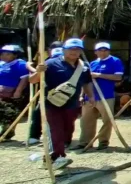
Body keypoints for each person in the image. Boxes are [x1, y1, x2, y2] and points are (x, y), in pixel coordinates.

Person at [31, 38, 94, 170]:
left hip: (72, 104)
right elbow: (32, 80)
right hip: (52, 104)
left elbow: (87, 82)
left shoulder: (83, 67)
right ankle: (56, 157)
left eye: (77, 49)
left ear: (81, 51)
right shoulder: (51, 63)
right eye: (71, 49)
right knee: (55, 130)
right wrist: (38, 72)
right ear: (64, 50)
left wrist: (91, 96)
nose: (74, 52)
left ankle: (51, 157)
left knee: (67, 130)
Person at [77, 42, 124, 150]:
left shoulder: (115, 61)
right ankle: (85, 142)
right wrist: (81, 95)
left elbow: (118, 77)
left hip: (106, 96)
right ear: (96, 52)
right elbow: (85, 81)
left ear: (109, 51)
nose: (103, 52)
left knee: (107, 120)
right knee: (86, 120)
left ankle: (103, 142)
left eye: (105, 50)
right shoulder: (92, 64)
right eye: (100, 50)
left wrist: (99, 75)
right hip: (90, 96)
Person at [27, 41, 63, 145]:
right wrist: (33, 68)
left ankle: (57, 138)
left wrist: (29, 67)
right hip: (47, 92)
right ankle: (34, 136)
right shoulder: (47, 61)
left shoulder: (67, 62)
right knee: (38, 114)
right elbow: (37, 76)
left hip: (61, 93)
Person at [0, 45, 30, 139]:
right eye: (2, 54)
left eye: (7, 54)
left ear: (15, 55)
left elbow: (24, 79)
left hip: (11, 94)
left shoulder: (21, 64)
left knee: (9, 114)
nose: (4, 56)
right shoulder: (2, 64)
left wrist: (18, 91)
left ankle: (8, 132)